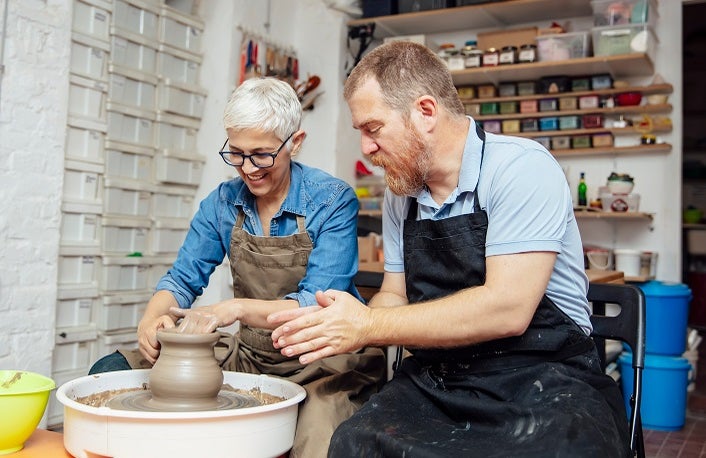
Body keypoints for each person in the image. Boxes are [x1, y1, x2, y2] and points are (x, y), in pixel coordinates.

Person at [268, 41, 631, 457]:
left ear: (425, 112)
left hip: (545, 377)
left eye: (373, 129)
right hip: (441, 376)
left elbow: (508, 309)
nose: (366, 148)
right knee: (354, 442)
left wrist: (369, 327)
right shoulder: (400, 195)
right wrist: (344, 322)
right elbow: (395, 294)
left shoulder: (520, 168)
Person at [89, 77, 386, 458]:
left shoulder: (331, 200)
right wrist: (151, 318)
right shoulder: (223, 202)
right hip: (250, 354)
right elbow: (182, 278)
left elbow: (314, 304)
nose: (248, 168)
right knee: (110, 370)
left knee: (317, 444)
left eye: (262, 154)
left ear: (295, 142)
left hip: (324, 361)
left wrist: (233, 308)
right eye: (237, 153)